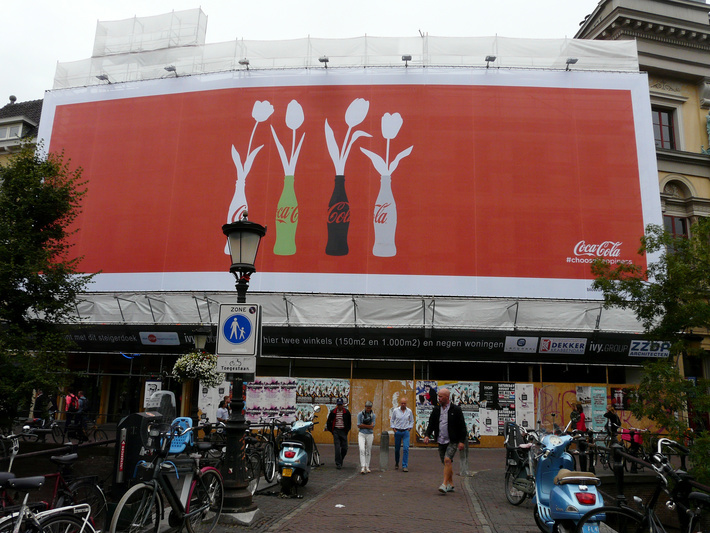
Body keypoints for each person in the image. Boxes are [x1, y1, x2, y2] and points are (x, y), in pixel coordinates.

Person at [423, 388, 467, 493]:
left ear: (447, 397)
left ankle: (444, 484)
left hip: (452, 440)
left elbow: (462, 426)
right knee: (446, 463)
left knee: (447, 460)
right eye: (438, 396)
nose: (439, 398)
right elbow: (431, 424)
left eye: (441, 396)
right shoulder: (436, 410)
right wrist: (427, 435)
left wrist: (461, 441)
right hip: (441, 439)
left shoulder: (456, 410)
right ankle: (451, 484)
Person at [326, 397, 351, 469]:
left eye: (341, 405)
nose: (340, 406)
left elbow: (349, 422)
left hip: (343, 431)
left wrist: (347, 430)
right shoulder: (333, 412)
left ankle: (340, 459)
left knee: (345, 448)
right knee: (337, 448)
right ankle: (338, 463)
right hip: (336, 431)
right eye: (338, 405)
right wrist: (332, 430)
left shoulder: (346, 412)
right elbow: (329, 422)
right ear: (337, 405)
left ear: (343, 405)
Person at [390, 396, 414, 471]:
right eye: (402, 403)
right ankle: (397, 462)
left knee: (406, 448)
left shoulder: (409, 411)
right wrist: (394, 429)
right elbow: (392, 420)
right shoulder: (396, 411)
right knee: (397, 449)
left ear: (406, 404)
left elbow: (412, 420)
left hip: (406, 431)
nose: (403, 404)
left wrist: (409, 428)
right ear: (400, 403)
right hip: (398, 431)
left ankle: (404, 465)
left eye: (404, 403)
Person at [357, 400, 376, 474]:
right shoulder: (360, 414)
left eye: (369, 408)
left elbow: (372, 426)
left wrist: (363, 425)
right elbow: (359, 425)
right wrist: (368, 426)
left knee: (368, 450)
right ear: (365, 407)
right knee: (362, 449)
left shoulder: (373, 415)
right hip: (361, 434)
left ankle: (367, 466)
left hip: (370, 434)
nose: (368, 409)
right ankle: (363, 466)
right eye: (367, 408)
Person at [571, 403, 589, 471]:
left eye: (576, 407)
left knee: (580, 440)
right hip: (578, 428)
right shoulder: (577, 414)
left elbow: (581, 423)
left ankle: (581, 449)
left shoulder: (581, 415)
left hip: (580, 429)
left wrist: (579, 430)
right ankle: (579, 449)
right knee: (578, 440)